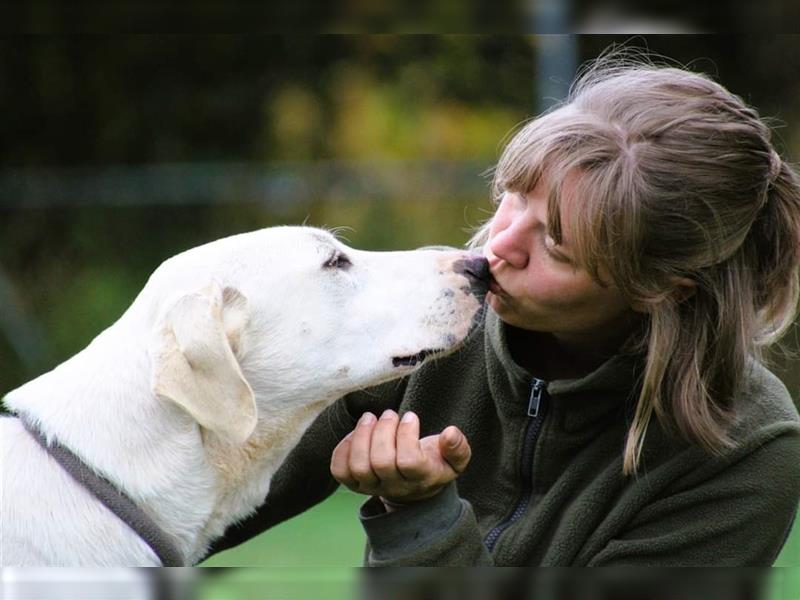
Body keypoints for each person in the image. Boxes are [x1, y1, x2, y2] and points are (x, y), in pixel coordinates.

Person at [207, 52, 800, 566]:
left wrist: (424, 519)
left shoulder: (748, 450)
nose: (498, 247)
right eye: (515, 197)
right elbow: (181, 511)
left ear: (664, 287)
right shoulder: (414, 330)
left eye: (556, 245)